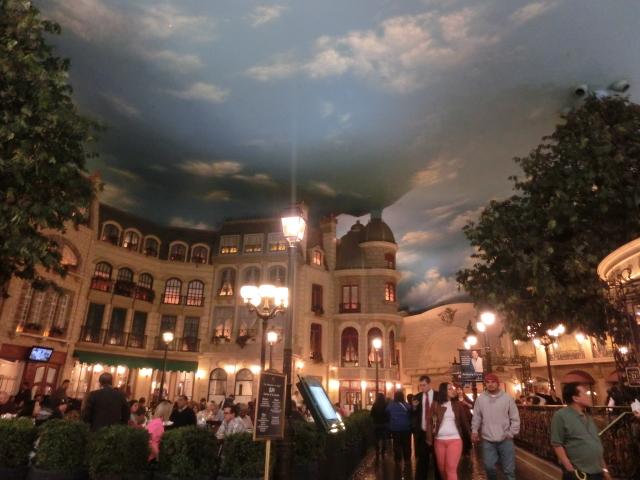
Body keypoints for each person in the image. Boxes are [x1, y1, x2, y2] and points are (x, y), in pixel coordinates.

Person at [550, 383, 611, 480]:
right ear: (575, 398)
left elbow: (595, 443)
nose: (589, 396)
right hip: (579, 474)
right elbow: (557, 444)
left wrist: (605, 469)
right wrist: (570, 469)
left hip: (597, 472)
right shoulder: (561, 416)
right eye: (585, 394)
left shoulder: (587, 417)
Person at [471, 373, 520, 480]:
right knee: (489, 467)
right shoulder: (481, 399)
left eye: (493, 382)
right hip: (488, 440)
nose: (490, 384)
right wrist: (474, 430)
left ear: (498, 383)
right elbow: (477, 416)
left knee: (509, 470)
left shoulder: (507, 398)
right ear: (485, 384)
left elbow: (515, 417)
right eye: (488, 382)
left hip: (506, 439)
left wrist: (511, 433)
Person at [428, 383, 471, 480]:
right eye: (450, 389)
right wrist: (429, 438)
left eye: (453, 388)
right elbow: (430, 422)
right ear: (444, 391)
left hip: (455, 440)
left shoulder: (457, 405)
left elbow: (465, 422)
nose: (453, 390)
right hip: (439, 441)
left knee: (451, 469)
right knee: (442, 469)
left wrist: (471, 435)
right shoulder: (435, 405)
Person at [411, 375, 440, 480]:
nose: (422, 387)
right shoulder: (417, 397)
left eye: (424, 385)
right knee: (422, 460)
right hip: (423, 433)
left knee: (438, 460)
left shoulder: (438, 395)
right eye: (420, 385)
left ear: (429, 384)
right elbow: (413, 414)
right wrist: (414, 407)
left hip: (436, 433)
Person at [386, 390, 412, 466]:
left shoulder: (391, 405)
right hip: (406, 428)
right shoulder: (406, 404)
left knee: (396, 444)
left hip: (395, 428)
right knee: (406, 444)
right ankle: (407, 459)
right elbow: (410, 410)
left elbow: (386, 411)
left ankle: (398, 459)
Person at [370, 392, 389, 458]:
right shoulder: (386, 405)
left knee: (376, 438)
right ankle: (383, 451)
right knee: (384, 438)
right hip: (384, 424)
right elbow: (388, 414)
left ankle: (377, 450)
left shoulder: (375, 405)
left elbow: (371, 414)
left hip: (376, 424)